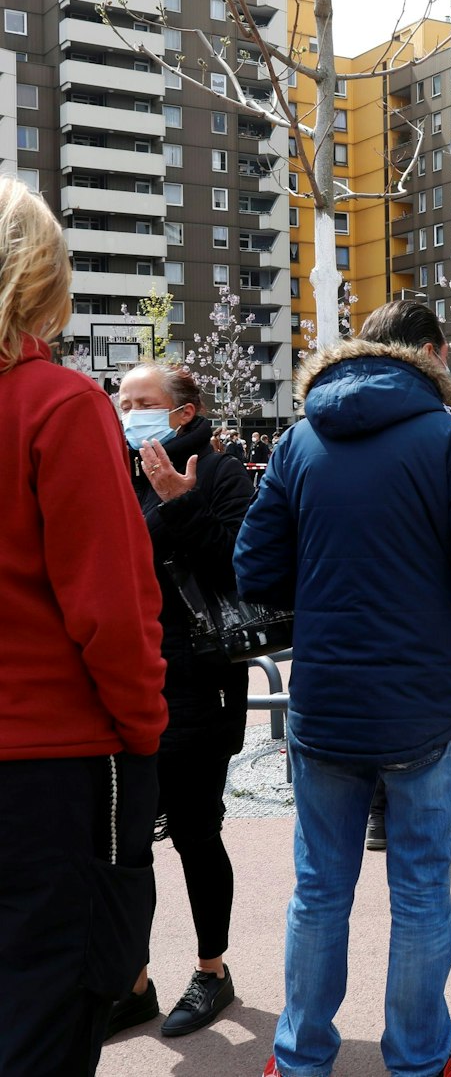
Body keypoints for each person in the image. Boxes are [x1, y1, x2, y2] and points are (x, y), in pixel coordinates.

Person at [235, 298, 451, 1077]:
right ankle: (420, 1061)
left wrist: (331, 593)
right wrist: (450, 631)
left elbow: (254, 570)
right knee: (422, 890)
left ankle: (299, 1059)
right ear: (430, 361)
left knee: (318, 890)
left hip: (326, 695)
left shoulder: (299, 441)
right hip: (423, 698)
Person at [0, 179, 166, 1074]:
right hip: (51, 764)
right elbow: (110, 606)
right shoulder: (57, 402)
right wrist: (142, 732)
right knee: (50, 1007)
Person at [107, 363, 255, 1040]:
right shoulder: (110, 468)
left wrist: (180, 502)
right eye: (122, 398)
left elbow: (244, 569)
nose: (126, 409)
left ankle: (212, 970)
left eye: (143, 402)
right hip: (122, 676)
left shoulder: (220, 472)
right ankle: (133, 982)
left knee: (196, 832)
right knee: (126, 841)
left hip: (196, 679)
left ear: (183, 414)